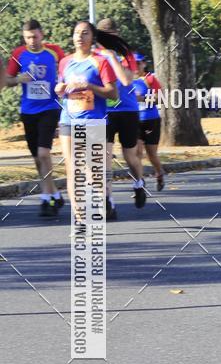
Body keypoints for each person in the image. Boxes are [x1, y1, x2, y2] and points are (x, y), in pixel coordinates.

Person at [55, 21, 118, 219]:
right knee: (72, 168)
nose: (79, 37)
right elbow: (62, 87)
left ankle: (100, 205)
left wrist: (89, 86)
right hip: (68, 119)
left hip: (93, 121)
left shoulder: (100, 62)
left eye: (84, 33)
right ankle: (80, 217)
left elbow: (113, 93)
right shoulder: (65, 62)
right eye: (76, 33)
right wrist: (60, 90)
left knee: (93, 172)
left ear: (92, 38)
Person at [4, 19, 65, 216]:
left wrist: (62, 85)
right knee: (37, 158)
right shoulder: (19, 54)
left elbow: (66, 72)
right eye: (28, 38)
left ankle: (45, 199)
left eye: (35, 37)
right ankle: (54, 193)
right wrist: (18, 79)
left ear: (42, 35)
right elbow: (6, 80)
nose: (32, 41)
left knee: (43, 153)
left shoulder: (55, 52)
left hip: (50, 108)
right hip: (28, 110)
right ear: (24, 38)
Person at [96, 17, 146, 219]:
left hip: (127, 110)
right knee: (104, 158)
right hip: (104, 112)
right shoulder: (94, 56)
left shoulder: (127, 55)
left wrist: (111, 57)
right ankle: (109, 201)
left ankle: (138, 183)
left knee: (130, 156)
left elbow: (126, 79)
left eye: (112, 35)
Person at [133, 53, 165, 191]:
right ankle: (140, 180)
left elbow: (161, 98)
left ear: (144, 64)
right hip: (134, 120)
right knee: (137, 152)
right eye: (132, 63)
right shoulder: (126, 80)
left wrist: (143, 98)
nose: (135, 66)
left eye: (138, 63)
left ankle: (159, 173)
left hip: (151, 120)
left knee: (151, 154)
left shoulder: (150, 79)